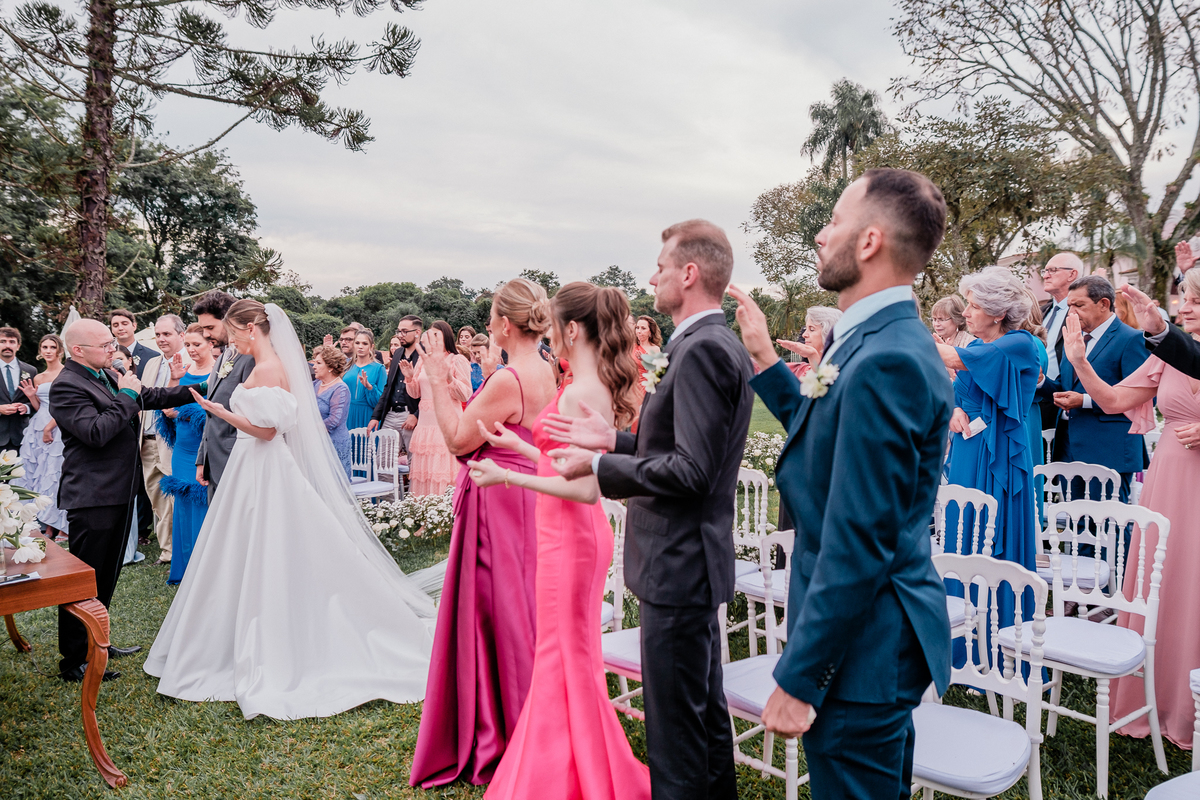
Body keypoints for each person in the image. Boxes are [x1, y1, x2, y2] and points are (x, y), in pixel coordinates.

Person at [729, 169, 953, 800]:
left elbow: (859, 539)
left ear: (869, 242)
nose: (821, 235)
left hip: (862, 651)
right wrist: (769, 365)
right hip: (865, 641)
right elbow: (829, 442)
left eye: (834, 220)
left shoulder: (888, 358)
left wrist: (802, 678)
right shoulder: (869, 342)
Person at [144, 301, 439, 719]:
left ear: (250, 329)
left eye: (230, 331)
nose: (227, 340)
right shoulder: (269, 364)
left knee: (266, 541)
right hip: (255, 466)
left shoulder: (267, 369)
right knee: (252, 543)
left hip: (261, 464)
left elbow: (267, 431)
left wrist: (220, 411)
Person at [546, 220, 753, 800]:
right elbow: (683, 450)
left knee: (676, 736)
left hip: (678, 563)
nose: (652, 277)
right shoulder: (699, 344)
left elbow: (692, 473)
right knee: (702, 718)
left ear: (689, 274)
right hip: (686, 562)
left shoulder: (703, 350)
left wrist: (598, 469)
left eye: (661, 267)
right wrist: (612, 441)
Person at [464, 282, 650, 800]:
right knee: (564, 658)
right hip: (562, 535)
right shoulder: (580, 383)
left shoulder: (584, 390)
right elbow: (562, 462)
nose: (550, 335)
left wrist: (508, 478)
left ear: (571, 329)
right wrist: (517, 448)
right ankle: (568, 769)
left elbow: (587, 488)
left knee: (564, 658)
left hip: (571, 539)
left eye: (554, 324)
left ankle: (566, 777)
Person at [409, 278, 558, 789]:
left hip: (498, 502)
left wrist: (432, 375)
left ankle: (502, 735)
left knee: (492, 612)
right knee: (518, 611)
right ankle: (521, 720)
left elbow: (455, 439)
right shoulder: (546, 369)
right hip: (528, 496)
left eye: (492, 314)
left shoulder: (508, 379)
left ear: (502, 323)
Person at [1059, 269, 1200, 750]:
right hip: (1171, 477)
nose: (1187, 308)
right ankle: (1162, 699)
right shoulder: (1172, 355)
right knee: (1170, 578)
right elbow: (1116, 399)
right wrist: (1080, 362)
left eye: (1196, 300)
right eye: (1184, 299)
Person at [53, 319, 197, 682]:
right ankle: (74, 660)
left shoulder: (106, 374)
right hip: (92, 495)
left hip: (118, 491)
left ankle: (97, 641)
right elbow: (96, 432)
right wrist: (128, 396)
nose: (112, 350)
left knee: (108, 574)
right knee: (85, 578)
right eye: (104, 344)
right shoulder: (66, 385)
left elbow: (155, 397)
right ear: (78, 350)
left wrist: (204, 388)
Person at [937, 267, 1041, 644]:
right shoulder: (978, 348)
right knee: (963, 536)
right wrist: (953, 410)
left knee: (993, 540)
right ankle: (961, 641)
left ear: (998, 313)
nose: (966, 312)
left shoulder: (1019, 344)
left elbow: (953, 358)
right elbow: (958, 389)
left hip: (1000, 461)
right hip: (968, 450)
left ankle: (999, 641)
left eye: (974, 305)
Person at [1044, 275, 1149, 502]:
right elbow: (1066, 386)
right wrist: (1041, 382)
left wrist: (1084, 400)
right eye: (1069, 306)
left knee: (1110, 527)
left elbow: (1142, 399)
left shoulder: (1132, 340)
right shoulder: (1074, 339)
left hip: (1108, 448)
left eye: (1079, 305)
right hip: (1069, 446)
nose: (1071, 312)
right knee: (1075, 522)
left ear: (1103, 304)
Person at [157, 325, 212, 585]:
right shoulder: (184, 373)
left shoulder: (219, 374)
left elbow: (217, 414)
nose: (191, 350)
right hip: (182, 450)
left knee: (204, 505)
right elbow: (166, 407)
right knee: (183, 507)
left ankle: (205, 571)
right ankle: (185, 570)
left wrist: (183, 412)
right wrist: (174, 380)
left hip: (207, 451)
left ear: (211, 344)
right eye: (188, 345)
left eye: (197, 345)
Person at [194, 290, 256, 501]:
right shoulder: (223, 357)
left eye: (210, 327)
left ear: (230, 320)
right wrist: (203, 457)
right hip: (215, 461)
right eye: (203, 328)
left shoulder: (252, 359)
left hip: (238, 463)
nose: (206, 335)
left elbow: (254, 416)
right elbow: (212, 409)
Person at [140, 314, 191, 566]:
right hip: (146, 441)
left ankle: (181, 549)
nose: (161, 339)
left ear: (181, 335)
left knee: (177, 494)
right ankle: (167, 550)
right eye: (158, 335)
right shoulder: (151, 364)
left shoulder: (191, 362)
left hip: (174, 440)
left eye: (167, 334)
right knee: (157, 497)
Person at [404, 321, 472, 495]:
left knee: (443, 475)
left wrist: (449, 377)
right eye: (430, 334)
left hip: (447, 424)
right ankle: (424, 519)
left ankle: (446, 518)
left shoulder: (457, 359)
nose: (432, 338)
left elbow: (465, 394)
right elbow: (415, 393)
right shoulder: (423, 360)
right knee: (425, 475)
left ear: (446, 337)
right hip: (425, 425)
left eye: (437, 335)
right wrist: (410, 378)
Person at [16, 334, 68, 540]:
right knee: (40, 475)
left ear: (60, 351)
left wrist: (50, 427)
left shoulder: (66, 373)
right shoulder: (38, 377)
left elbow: (66, 406)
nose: (47, 350)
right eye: (44, 346)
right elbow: (39, 407)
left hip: (59, 425)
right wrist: (30, 397)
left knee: (56, 474)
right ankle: (46, 524)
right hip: (37, 427)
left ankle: (63, 526)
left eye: (52, 347)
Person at [1035, 253, 1083, 430]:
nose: (1046, 275)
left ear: (1072, 274)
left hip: (1066, 400)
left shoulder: (1081, 313)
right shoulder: (1042, 311)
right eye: (1045, 271)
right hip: (1036, 395)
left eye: (1052, 270)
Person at [369, 316, 422, 453]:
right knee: (383, 463)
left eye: (404, 331)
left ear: (417, 332)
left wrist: (416, 414)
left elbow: (430, 392)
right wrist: (376, 417)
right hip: (391, 413)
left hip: (411, 414)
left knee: (414, 464)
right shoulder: (398, 353)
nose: (400, 335)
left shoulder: (425, 355)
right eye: (399, 331)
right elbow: (388, 387)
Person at [312, 344, 352, 479]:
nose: (314, 366)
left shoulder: (340, 389)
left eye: (318, 363)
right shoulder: (316, 384)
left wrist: (310, 429)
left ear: (330, 367)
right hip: (316, 444)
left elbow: (334, 420)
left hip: (333, 444)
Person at [776, 306, 843, 378]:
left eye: (811, 329)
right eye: (805, 329)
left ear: (829, 333)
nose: (804, 335)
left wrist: (813, 355)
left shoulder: (843, 370)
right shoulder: (798, 370)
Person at [342, 330, 385, 431]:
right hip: (347, 414)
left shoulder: (379, 368)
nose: (360, 346)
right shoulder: (347, 367)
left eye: (365, 343)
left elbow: (381, 401)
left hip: (368, 415)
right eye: (357, 343)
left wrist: (369, 387)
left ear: (371, 346)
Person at [0, 326, 35, 451]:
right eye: (3, 341)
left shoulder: (31, 371)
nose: (7, 345)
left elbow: (37, 402)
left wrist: (26, 408)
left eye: (12, 342)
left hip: (21, 436)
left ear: (18, 346)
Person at [929, 295, 975, 380]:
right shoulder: (933, 343)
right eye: (934, 319)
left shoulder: (970, 344)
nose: (936, 324)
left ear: (956, 319)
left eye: (941, 319)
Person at [109, 309, 156, 380]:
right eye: (115, 325)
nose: (120, 328)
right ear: (112, 329)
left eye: (125, 324)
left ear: (134, 326)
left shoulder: (152, 357)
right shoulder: (107, 355)